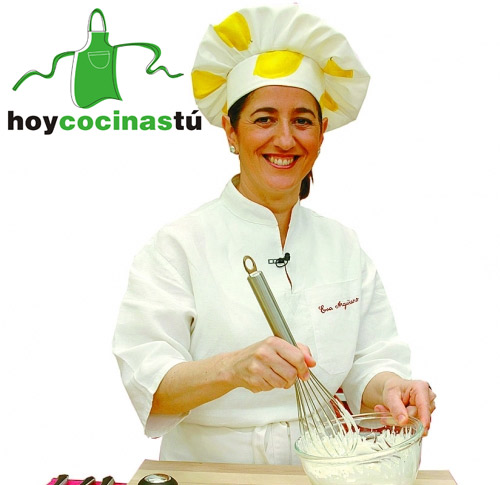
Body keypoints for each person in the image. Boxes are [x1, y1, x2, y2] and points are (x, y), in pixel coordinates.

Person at [112, 5, 436, 465]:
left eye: (302, 121)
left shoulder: (343, 246)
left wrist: (392, 388)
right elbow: (151, 387)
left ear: (322, 132)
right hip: (209, 469)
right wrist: (232, 368)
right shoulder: (177, 246)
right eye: (264, 119)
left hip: (322, 465)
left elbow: (370, 362)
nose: (285, 140)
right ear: (230, 130)